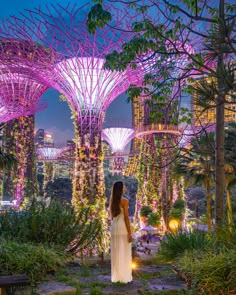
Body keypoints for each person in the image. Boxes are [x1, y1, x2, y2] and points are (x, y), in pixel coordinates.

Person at [110, 181, 132, 283]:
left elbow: (112, 216)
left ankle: (116, 277)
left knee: (116, 250)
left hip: (114, 226)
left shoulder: (112, 201)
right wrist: (129, 232)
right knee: (124, 250)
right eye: (124, 186)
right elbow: (126, 217)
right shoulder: (124, 201)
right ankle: (124, 277)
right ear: (121, 189)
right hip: (122, 226)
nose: (125, 187)